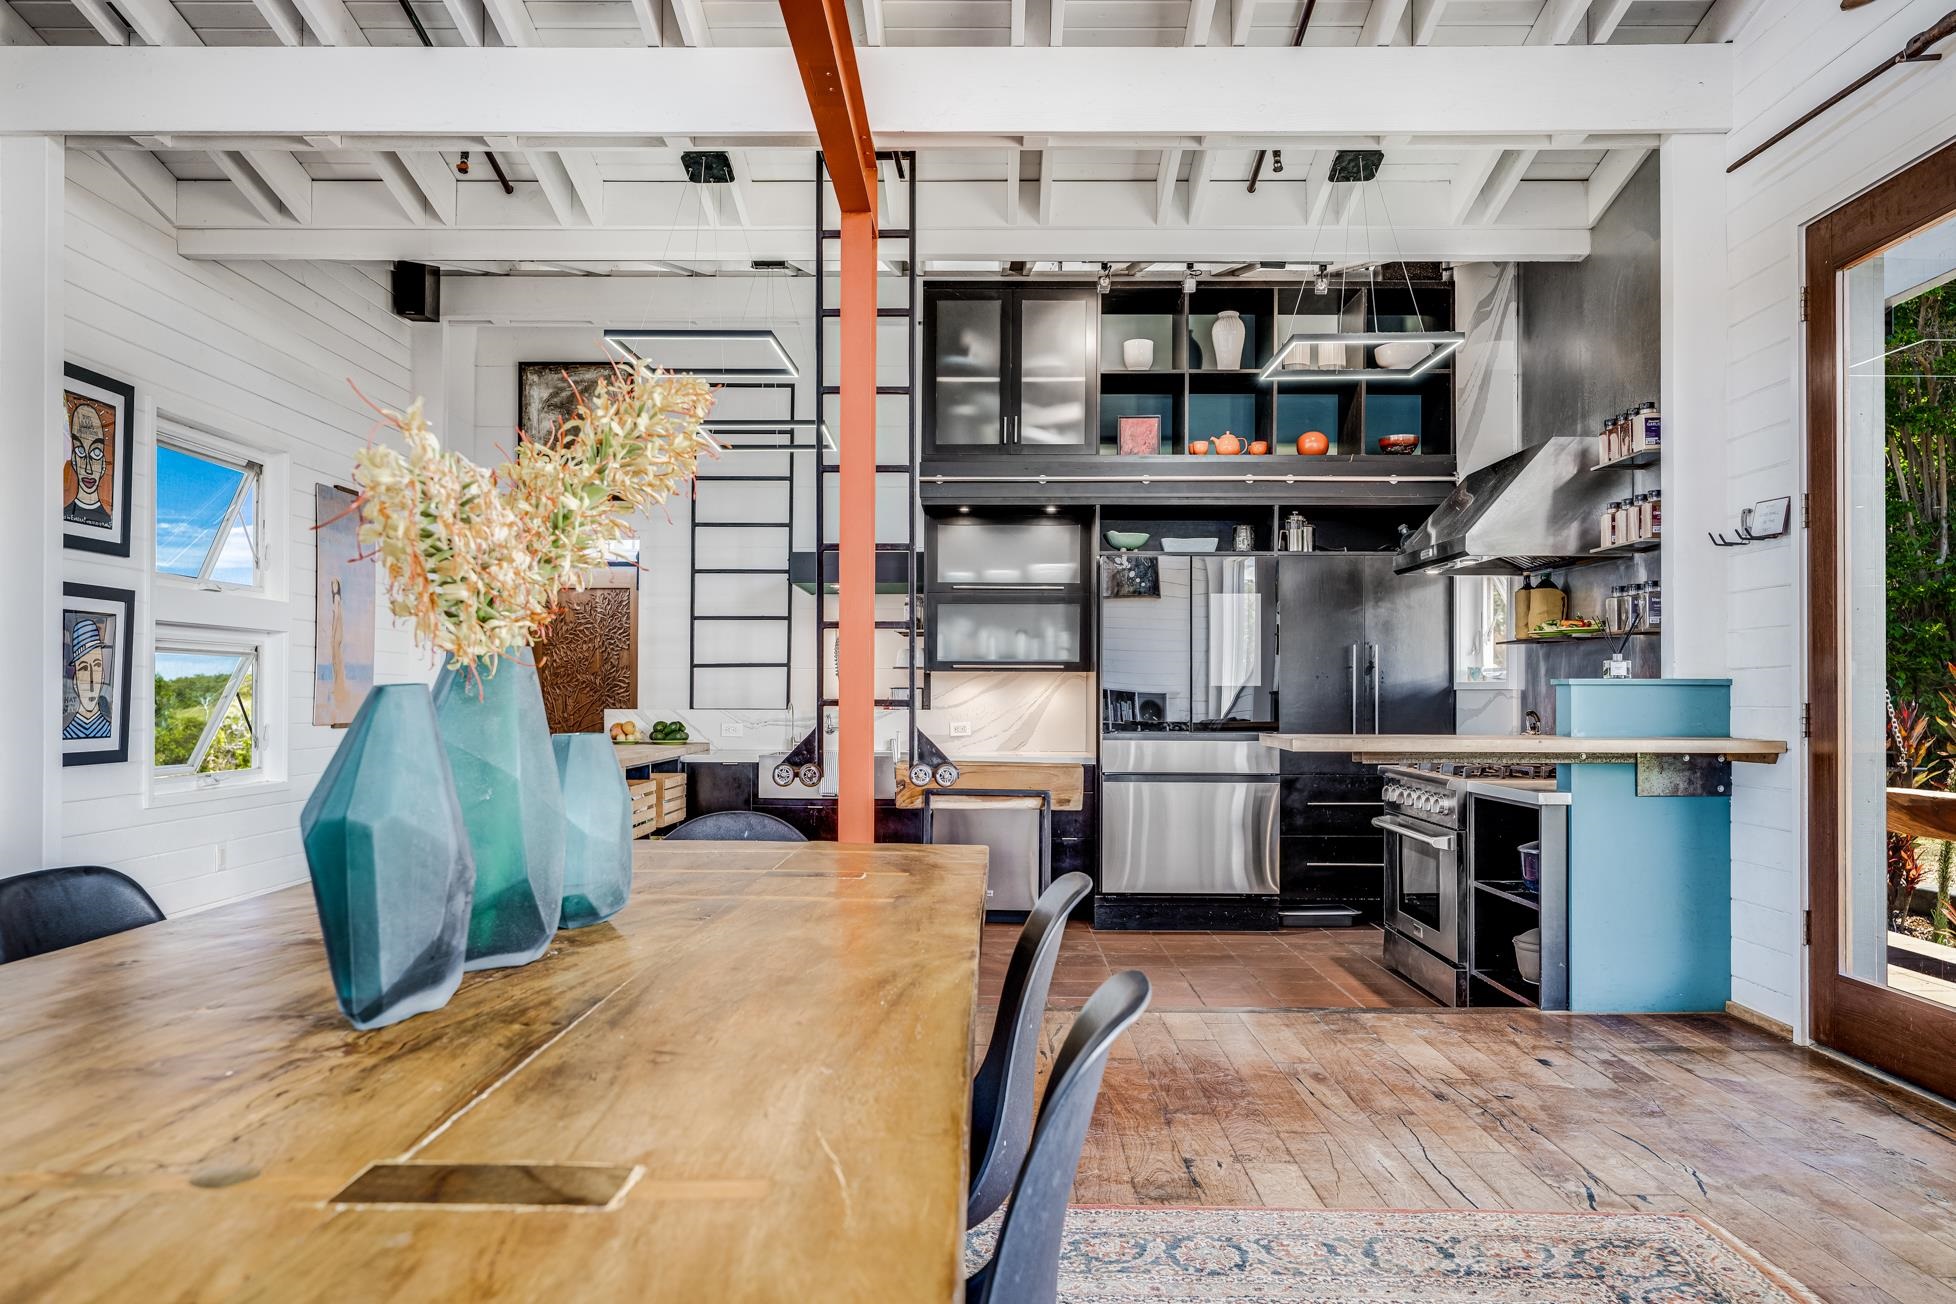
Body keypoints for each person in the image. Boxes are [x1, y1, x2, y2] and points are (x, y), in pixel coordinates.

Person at [64, 617, 112, 741]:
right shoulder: (65, 731)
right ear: (75, 681)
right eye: (84, 668)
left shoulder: (110, 729)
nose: (91, 682)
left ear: (102, 676)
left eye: (96, 666)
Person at [65, 402, 112, 528]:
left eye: (96, 453)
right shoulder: (62, 516)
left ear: (103, 464)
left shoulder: (109, 521)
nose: (88, 469)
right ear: (73, 460)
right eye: (80, 451)